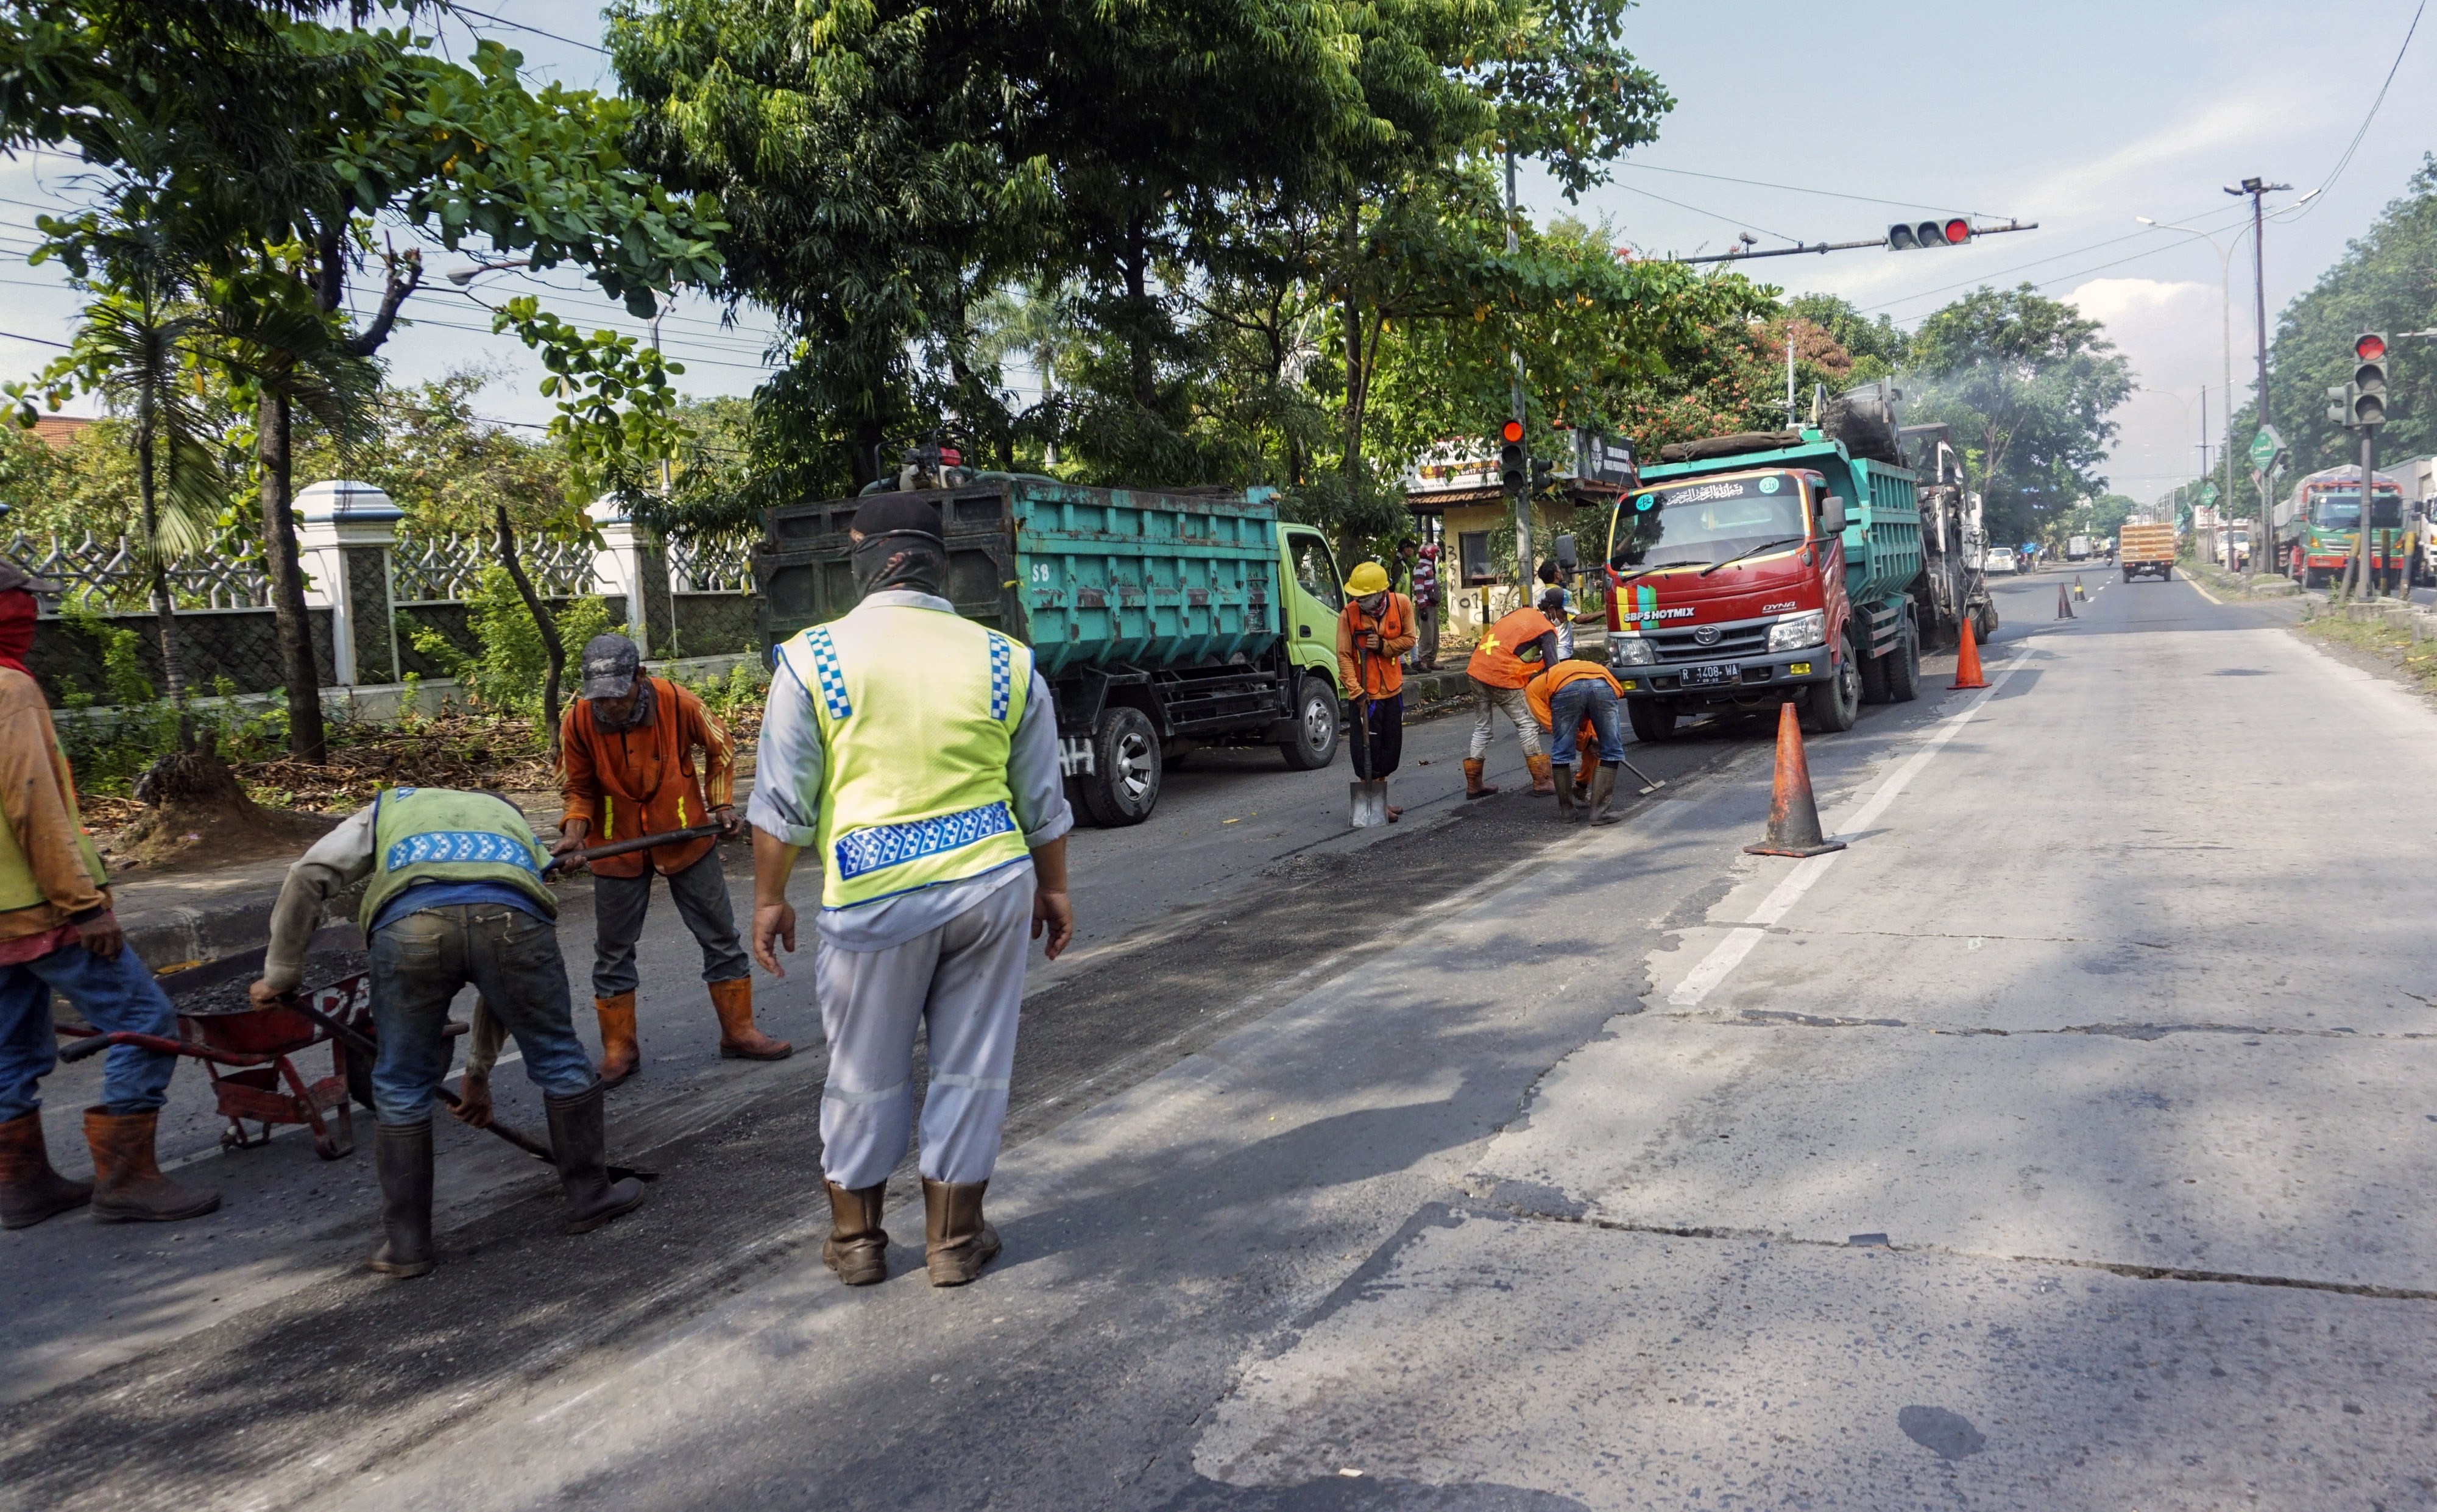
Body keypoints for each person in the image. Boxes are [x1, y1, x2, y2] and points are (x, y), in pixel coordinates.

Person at [751, 495, 1075, 1290]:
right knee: (972, 1064)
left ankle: (858, 1240)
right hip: (991, 883)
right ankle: (955, 1242)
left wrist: (769, 898)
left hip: (872, 889)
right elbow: (1043, 798)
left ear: (862, 559)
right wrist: (1055, 888)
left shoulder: (812, 658)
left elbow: (782, 801)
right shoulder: (1007, 659)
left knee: (865, 1066)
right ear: (941, 562)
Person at [250, 787, 642, 1276]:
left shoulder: (390, 806)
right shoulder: (509, 819)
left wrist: (282, 973)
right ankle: (592, 1196)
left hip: (410, 926)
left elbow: (309, 874)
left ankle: (409, 1245)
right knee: (558, 1058)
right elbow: (504, 991)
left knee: (400, 1083)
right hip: (512, 922)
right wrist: (476, 1073)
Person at [0, 567, 220, 1230]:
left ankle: (21, 1186)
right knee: (145, 1020)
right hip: (36, 905)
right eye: (20, 603)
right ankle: (127, 1179)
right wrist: (83, 904)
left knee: (9, 1045)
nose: (29, 613)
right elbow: (34, 806)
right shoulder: (10, 688)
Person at [553, 633, 786, 1086]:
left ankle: (739, 1032)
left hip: (685, 836)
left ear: (639, 678)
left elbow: (721, 746)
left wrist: (720, 805)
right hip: (615, 845)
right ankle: (621, 1050)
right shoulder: (579, 720)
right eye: (600, 699)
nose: (610, 708)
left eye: (618, 698)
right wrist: (575, 835)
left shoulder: (678, 701)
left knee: (720, 937)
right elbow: (577, 789)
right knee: (613, 952)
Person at [1337, 562, 1418, 821]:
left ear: (1381, 593)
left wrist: (1383, 645)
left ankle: (1381, 800)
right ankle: (1373, 805)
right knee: (1365, 753)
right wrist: (1356, 691)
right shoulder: (1348, 616)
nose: (1359, 601)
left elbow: (1409, 640)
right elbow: (1344, 656)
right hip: (1365, 695)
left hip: (1392, 690)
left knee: (1388, 750)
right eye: (1356, 597)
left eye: (1364, 597)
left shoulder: (1401, 604)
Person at [1463, 600, 1560, 799]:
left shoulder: (1523, 614)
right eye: (1564, 613)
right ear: (1551, 610)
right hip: (1501, 673)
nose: (1566, 618)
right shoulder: (1547, 630)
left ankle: (1474, 785)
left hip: (1477, 668)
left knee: (1482, 727)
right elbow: (1554, 671)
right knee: (1528, 723)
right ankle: (1542, 781)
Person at [1527, 657, 1631, 825]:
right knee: (1611, 750)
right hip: (1603, 684)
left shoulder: (1534, 688)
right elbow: (1614, 696)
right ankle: (1599, 812)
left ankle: (1567, 811)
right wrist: (1590, 741)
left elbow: (1551, 724)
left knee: (1562, 751)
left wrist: (1589, 741)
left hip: (1566, 688)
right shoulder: (1580, 666)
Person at [1408, 541, 1441, 670]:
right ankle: (1423, 659)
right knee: (1427, 634)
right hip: (1426, 605)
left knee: (1435, 634)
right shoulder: (1420, 568)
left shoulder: (1430, 567)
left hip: (1432, 604)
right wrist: (1422, 607)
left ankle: (1431, 660)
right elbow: (1419, 589)